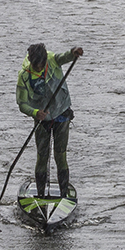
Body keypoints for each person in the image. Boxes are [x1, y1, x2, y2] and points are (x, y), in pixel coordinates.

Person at [17, 43, 83, 197]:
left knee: (60, 154)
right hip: (42, 118)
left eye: (41, 65)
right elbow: (22, 104)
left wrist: (74, 52)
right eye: (36, 66)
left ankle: (64, 193)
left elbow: (64, 57)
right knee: (42, 155)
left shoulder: (52, 59)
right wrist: (34, 112)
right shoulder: (24, 76)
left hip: (62, 112)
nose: (39, 68)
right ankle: (40, 195)